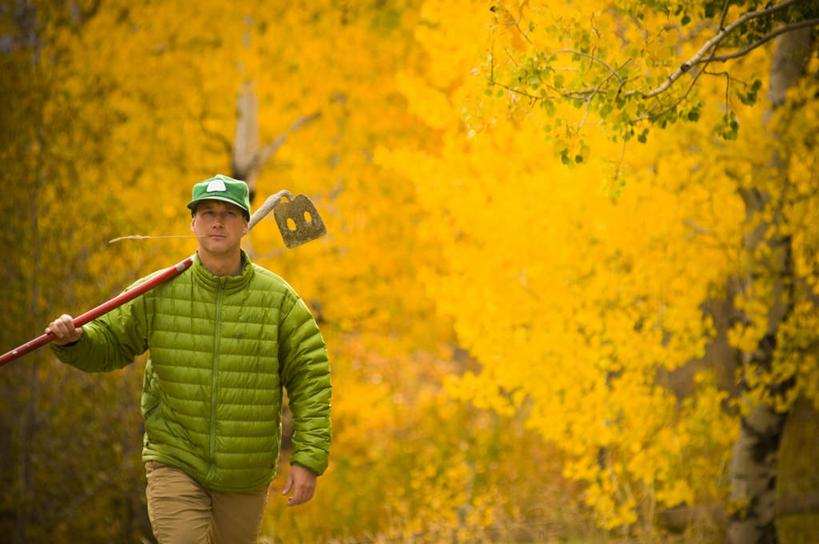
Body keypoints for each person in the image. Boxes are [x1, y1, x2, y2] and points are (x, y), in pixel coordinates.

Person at [46, 175, 331, 544]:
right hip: (175, 458)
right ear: (193, 223)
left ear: (245, 225)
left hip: (245, 471)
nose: (217, 222)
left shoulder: (278, 300)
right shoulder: (158, 291)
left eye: (229, 214)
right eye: (208, 213)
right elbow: (109, 344)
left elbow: (311, 377)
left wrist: (308, 458)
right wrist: (74, 340)